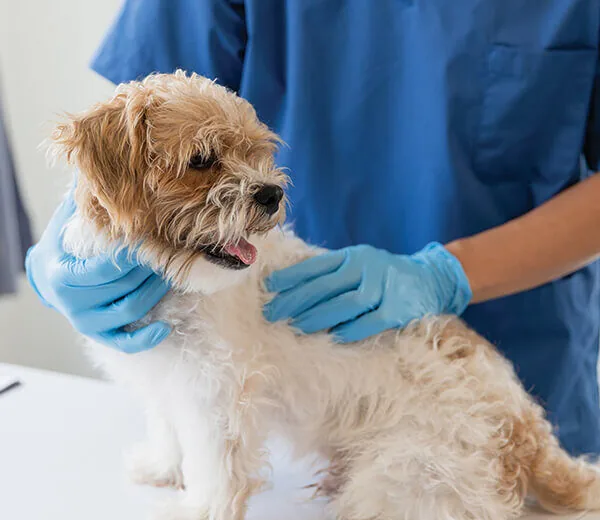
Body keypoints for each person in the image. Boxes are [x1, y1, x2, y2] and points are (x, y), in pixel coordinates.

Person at [26, 0, 600, 457]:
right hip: (271, 399)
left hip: (503, 386)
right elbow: (144, 132)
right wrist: (71, 249)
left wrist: (447, 275)